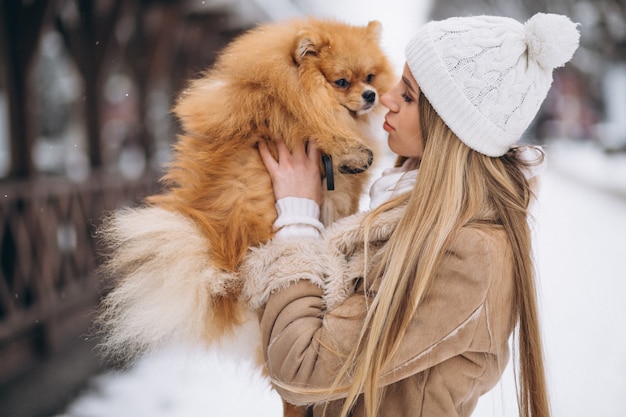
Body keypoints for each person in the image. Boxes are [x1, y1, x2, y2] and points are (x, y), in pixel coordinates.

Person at [240, 13, 580, 417]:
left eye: (408, 94)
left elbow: (303, 370)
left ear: (449, 128)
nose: (384, 96)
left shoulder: (467, 252)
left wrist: (298, 220)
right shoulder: (416, 207)